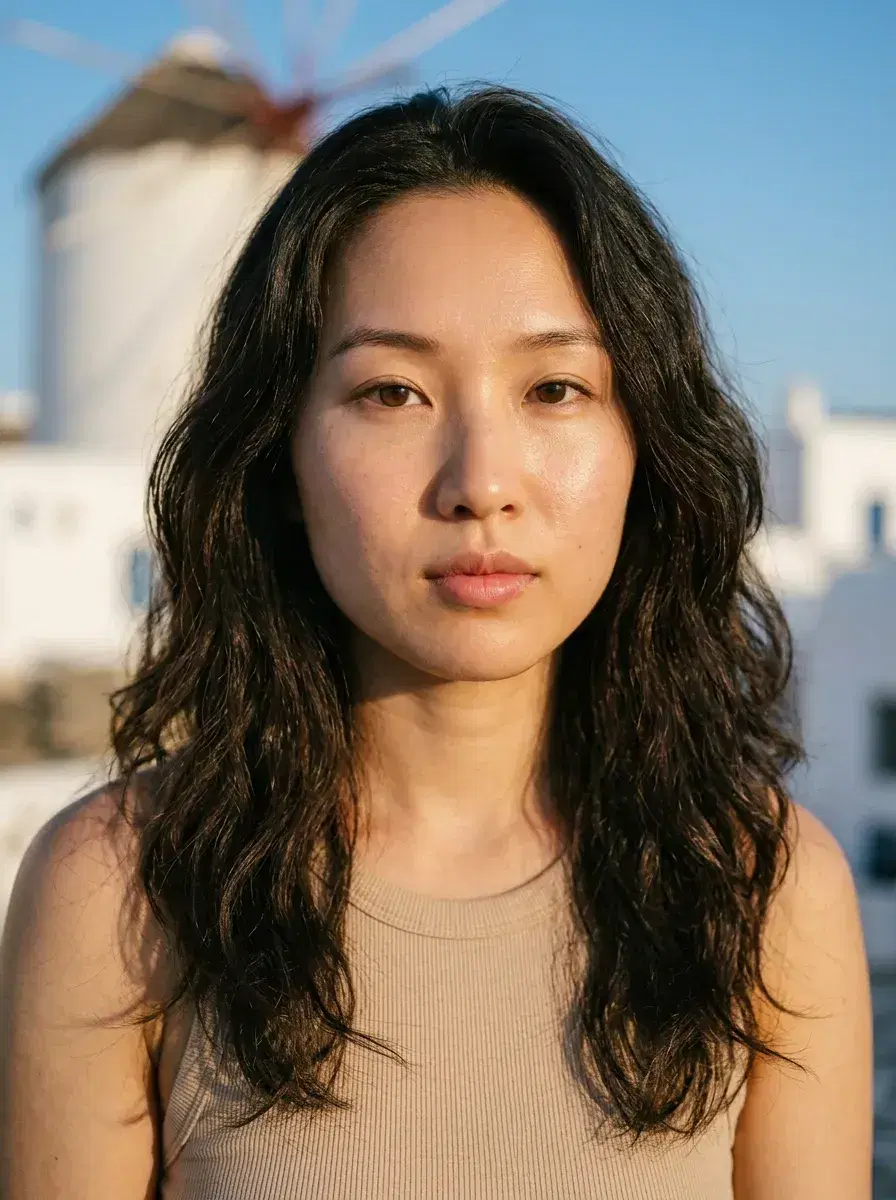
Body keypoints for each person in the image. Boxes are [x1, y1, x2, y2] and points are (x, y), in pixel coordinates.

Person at [0, 85, 873, 1199]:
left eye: (554, 387)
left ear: (644, 440)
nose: (479, 486)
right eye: (392, 391)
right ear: (279, 451)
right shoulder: (122, 889)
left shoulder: (761, 889)